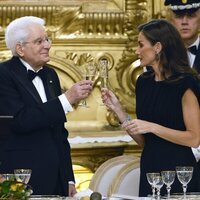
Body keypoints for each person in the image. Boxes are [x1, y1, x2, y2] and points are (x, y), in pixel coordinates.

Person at [101, 19, 200, 197]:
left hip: (180, 172)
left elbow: (194, 138)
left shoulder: (186, 83)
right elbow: (145, 142)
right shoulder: (143, 83)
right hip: (151, 170)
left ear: (158, 47)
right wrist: (119, 111)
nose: (137, 51)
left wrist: (152, 127)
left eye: (141, 45)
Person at [0, 16, 93, 196]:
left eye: (47, 39)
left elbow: (59, 132)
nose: (47, 45)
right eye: (39, 41)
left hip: (56, 177)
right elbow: (21, 120)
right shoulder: (3, 74)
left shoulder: (50, 75)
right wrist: (66, 99)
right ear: (20, 48)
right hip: (22, 179)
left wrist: (68, 177)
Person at [164, 0, 200, 190]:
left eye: (191, 15)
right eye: (179, 16)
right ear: (170, 19)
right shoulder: (160, 59)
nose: (185, 22)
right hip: (176, 150)